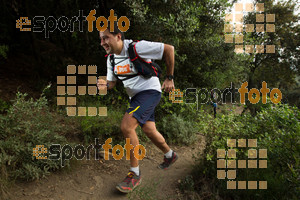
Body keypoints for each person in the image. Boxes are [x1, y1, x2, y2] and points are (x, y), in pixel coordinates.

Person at [97, 23, 178, 193]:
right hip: (136, 98)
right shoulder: (111, 59)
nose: (102, 42)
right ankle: (170, 155)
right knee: (149, 130)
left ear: (118, 36)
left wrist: (169, 78)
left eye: (106, 38)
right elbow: (112, 83)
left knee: (127, 126)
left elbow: (169, 49)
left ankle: (135, 174)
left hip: (150, 91)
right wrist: (105, 84)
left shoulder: (137, 47)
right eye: (101, 39)